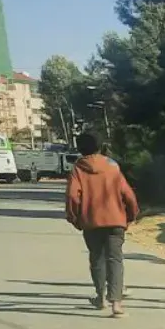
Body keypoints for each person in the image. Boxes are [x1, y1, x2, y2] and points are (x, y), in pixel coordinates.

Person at [64, 131, 139, 317]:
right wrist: (131, 215)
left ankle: (101, 297)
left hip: (91, 221)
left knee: (96, 258)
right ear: (100, 146)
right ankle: (117, 304)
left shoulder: (78, 169)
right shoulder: (112, 166)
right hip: (115, 220)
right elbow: (128, 194)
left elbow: (73, 195)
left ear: (80, 148)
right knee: (115, 260)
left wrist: (74, 217)